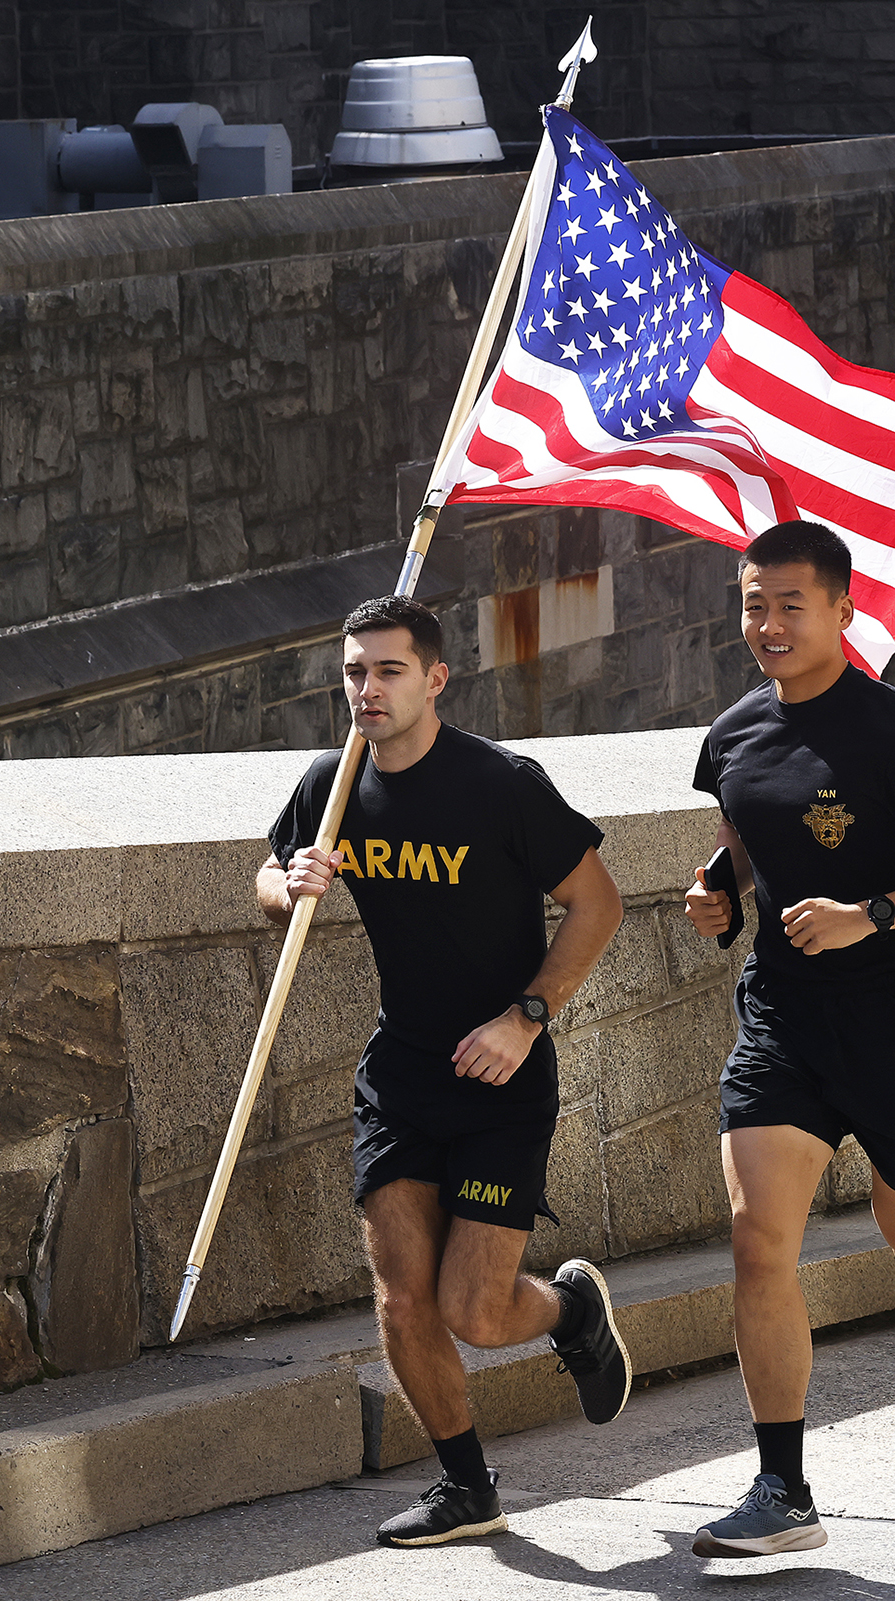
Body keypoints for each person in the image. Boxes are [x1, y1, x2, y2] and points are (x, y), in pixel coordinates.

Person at [680, 520, 895, 1558]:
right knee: (756, 1239)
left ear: (840, 610)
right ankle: (782, 1489)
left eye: (791, 604)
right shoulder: (734, 732)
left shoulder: (893, 730)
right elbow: (750, 822)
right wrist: (719, 887)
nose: (769, 624)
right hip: (784, 1018)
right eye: (753, 603)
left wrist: (871, 911)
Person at [259, 594, 631, 1549]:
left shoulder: (501, 783)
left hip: (503, 1075)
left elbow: (598, 903)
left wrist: (528, 1017)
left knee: (474, 1306)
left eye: (388, 671)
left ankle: (570, 1306)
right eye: (353, 672)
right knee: (400, 1294)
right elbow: (268, 875)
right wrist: (290, 881)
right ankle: (468, 1487)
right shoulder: (335, 783)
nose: (367, 690)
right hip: (401, 1072)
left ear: (435, 678)